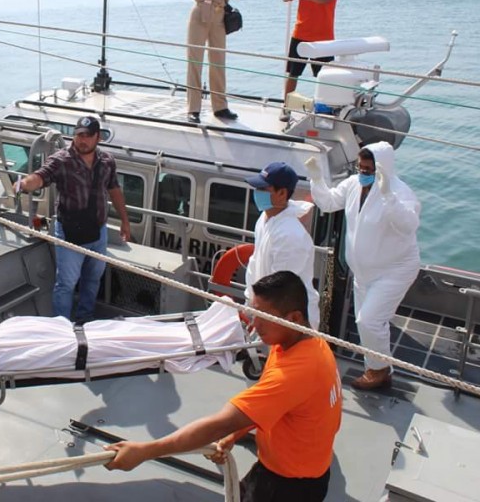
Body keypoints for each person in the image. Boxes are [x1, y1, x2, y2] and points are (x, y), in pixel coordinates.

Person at [105, 271, 342, 502]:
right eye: (252, 311)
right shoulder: (309, 344)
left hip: (288, 487)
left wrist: (143, 452)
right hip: (292, 471)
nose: (253, 323)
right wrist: (234, 435)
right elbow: (271, 407)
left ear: (294, 318)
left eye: (262, 316)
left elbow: (219, 424)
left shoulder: (295, 373)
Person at [305, 142, 420, 390]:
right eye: (360, 167)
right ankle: (378, 367)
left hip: (394, 270)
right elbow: (328, 202)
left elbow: (409, 225)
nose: (363, 173)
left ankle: (379, 372)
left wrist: (388, 196)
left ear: (382, 168)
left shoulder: (400, 193)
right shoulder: (353, 185)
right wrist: (317, 179)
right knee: (368, 322)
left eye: (368, 169)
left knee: (369, 322)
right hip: (364, 271)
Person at [16, 116, 131, 322]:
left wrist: (125, 220)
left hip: (98, 231)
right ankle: (62, 326)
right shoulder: (61, 160)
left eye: (87, 136)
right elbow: (41, 176)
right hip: (69, 233)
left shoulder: (107, 161)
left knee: (93, 279)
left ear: (98, 138)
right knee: (66, 283)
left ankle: (84, 319)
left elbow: (114, 189)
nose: (82, 140)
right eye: (79, 135)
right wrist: (24, 184)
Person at [245, 162, 321, 330]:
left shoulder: (291, 235)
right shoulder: (264, 220)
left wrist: (259, 315)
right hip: (265, 312)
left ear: (282, 193)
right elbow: (255, 261)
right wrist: (251, 303)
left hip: (288, 322)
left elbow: (282, 288)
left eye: (263, 189)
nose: (257, 193)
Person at [186, 0, 243, 124]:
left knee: (218, 62)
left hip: (219, 15)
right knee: (195, 61)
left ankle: (220, 106)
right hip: (200, 12)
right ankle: (193, 109)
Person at [282, 0, 341, 103]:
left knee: (326, 77)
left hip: (324, 40)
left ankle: (328, 107)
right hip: (300, 35)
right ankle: (286, 107)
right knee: (293, 74)